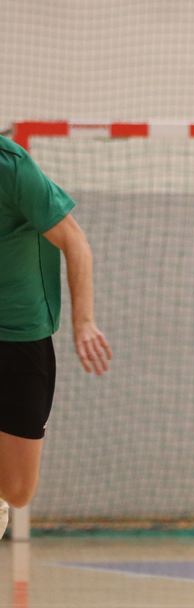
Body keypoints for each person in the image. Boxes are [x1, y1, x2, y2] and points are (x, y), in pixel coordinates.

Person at [0, 134, 112, 538]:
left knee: (17, 489)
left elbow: (75, 240)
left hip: (20, 334)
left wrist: (84, 321)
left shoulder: (11, 168)